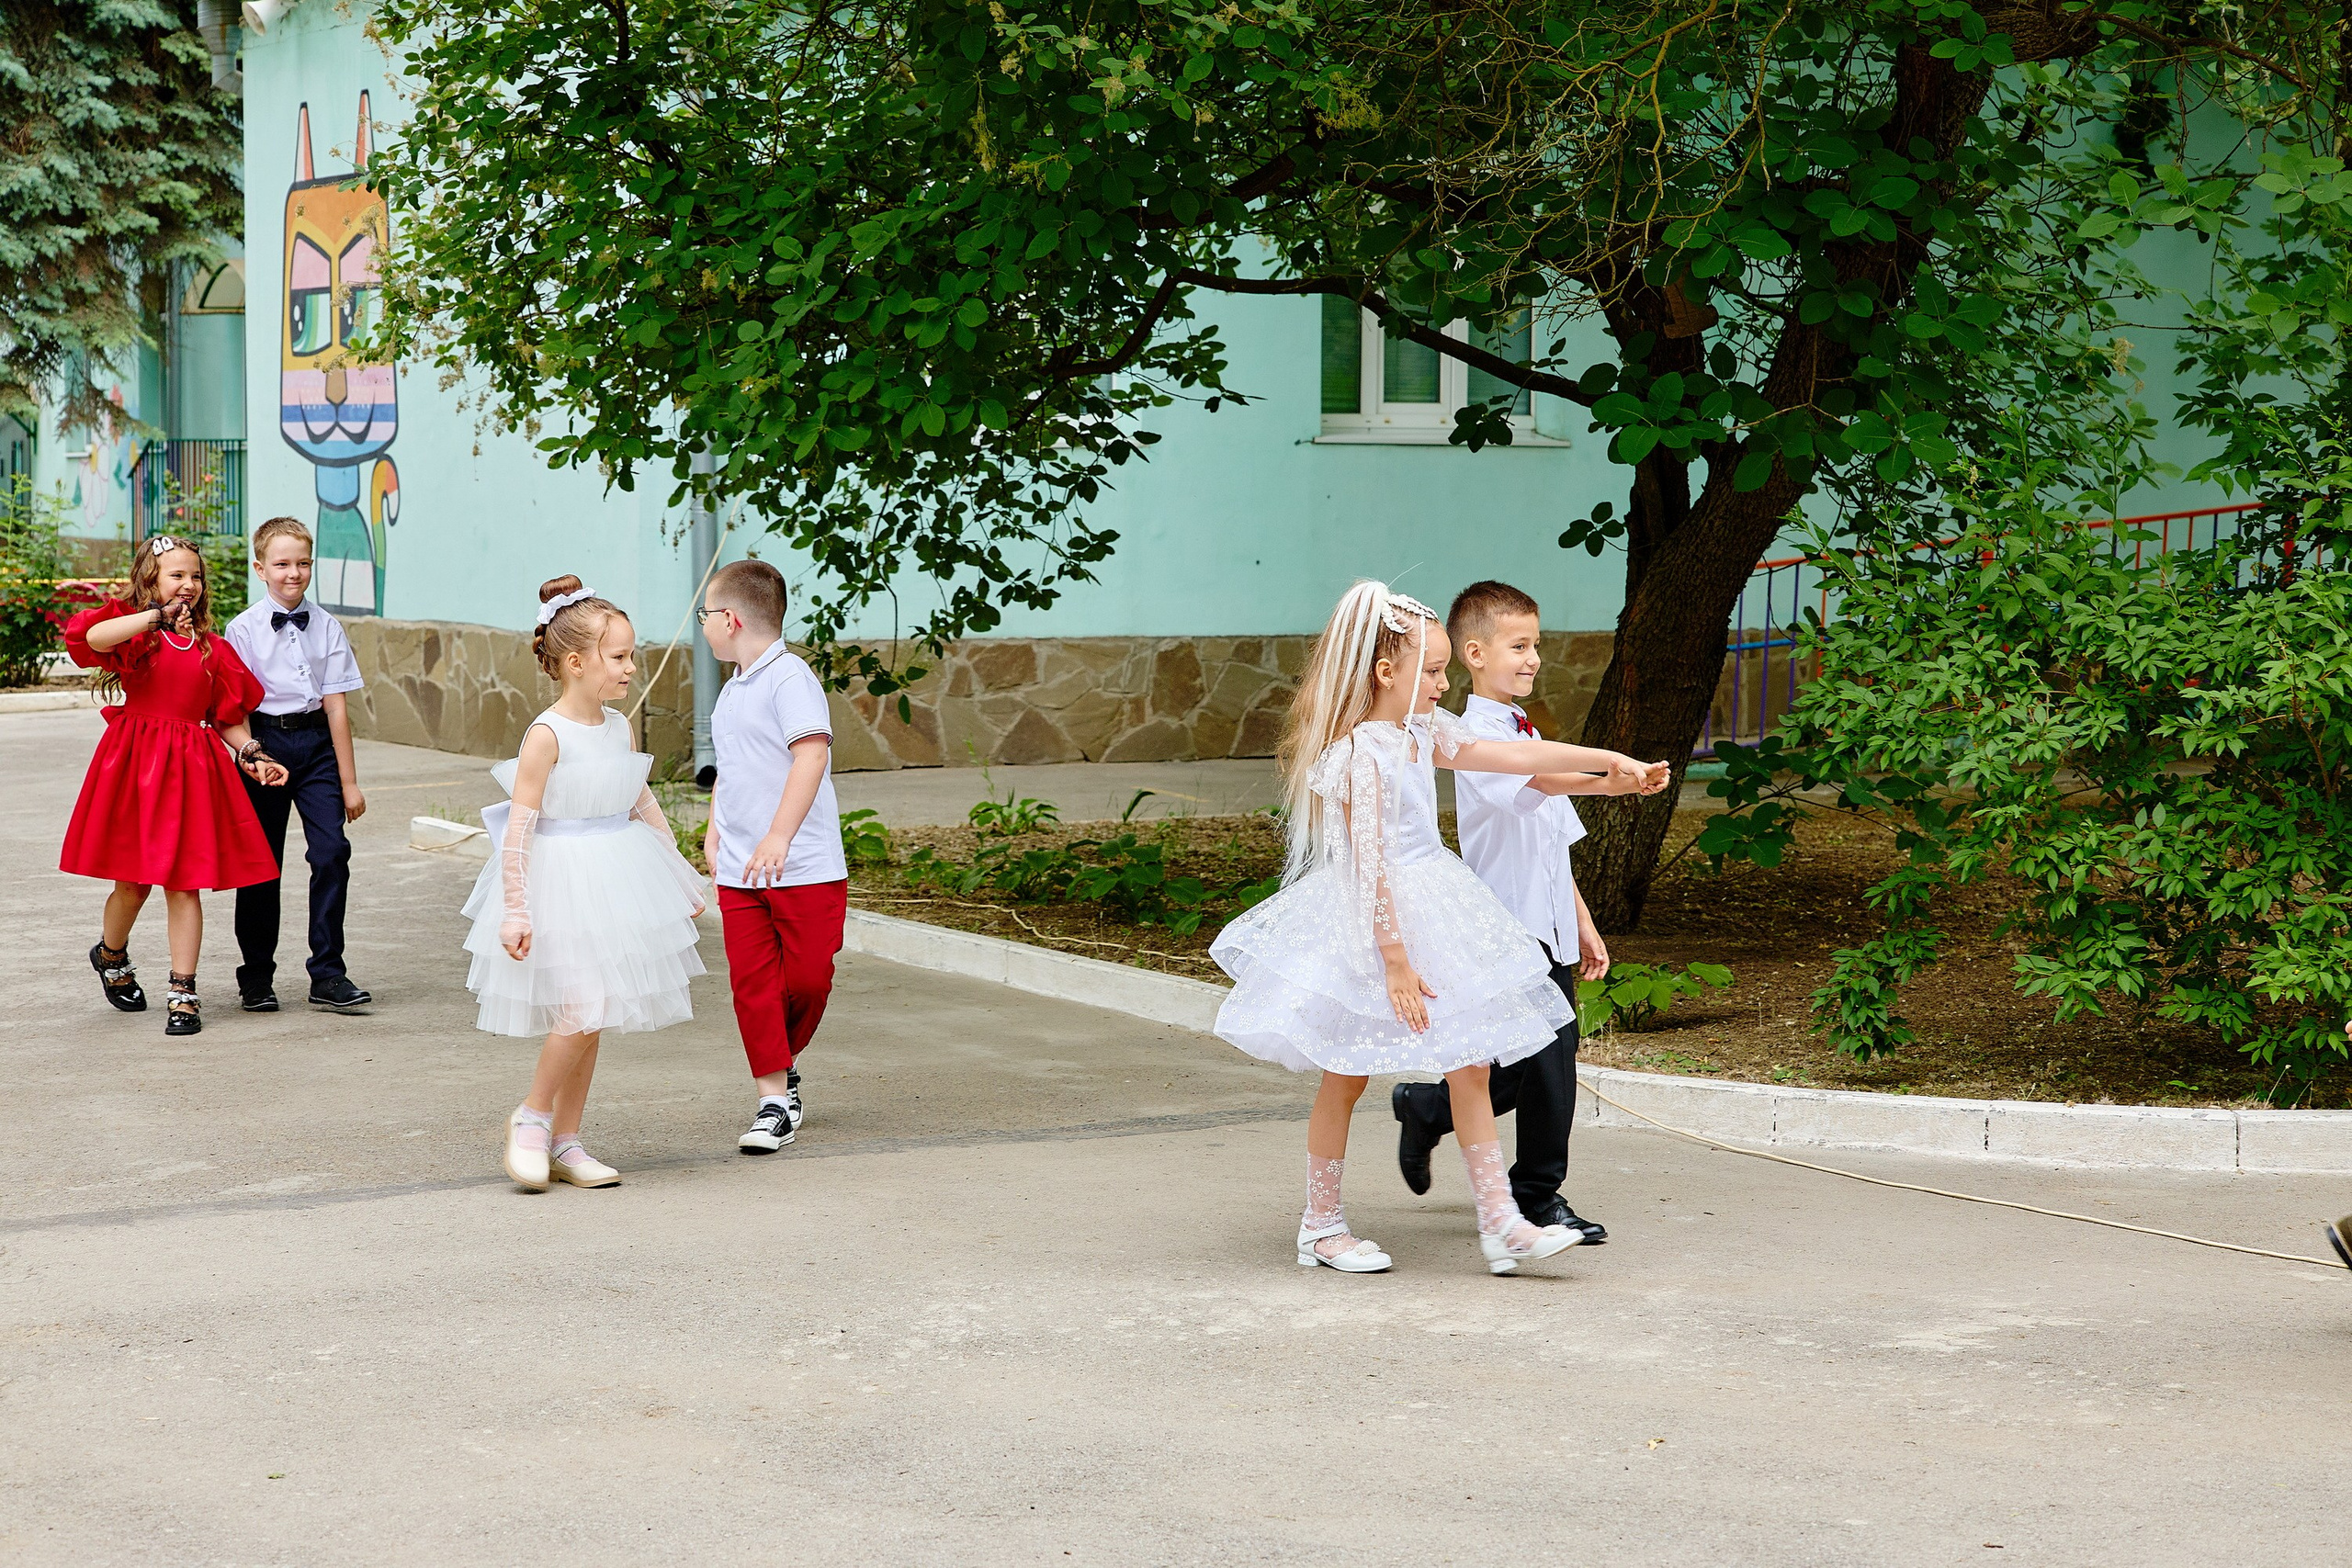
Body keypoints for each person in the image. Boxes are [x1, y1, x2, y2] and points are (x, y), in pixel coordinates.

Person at [1209, 580, 1669, 1275]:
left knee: (1471, 1063)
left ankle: (1502, 1223)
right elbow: (1369, 865)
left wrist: (1609, 763)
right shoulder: (1361, 754)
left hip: (1437, 900)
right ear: (1384, 671)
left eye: (1445, 668)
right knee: (1345, 1073)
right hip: (1374, 920)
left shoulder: (1424, 733)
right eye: (1431, 670)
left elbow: (1514, 757)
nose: (1442, 682)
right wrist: (1393, 958)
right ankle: (1321, 1224)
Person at [1393, 581, 1620, 1242]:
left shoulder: (1527, 730)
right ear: (1474, 653)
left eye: (1536, 647)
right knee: (1549, 1061)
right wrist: (1612, 773)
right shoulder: (1470, 740)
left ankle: (1427, 1105)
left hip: (1547, 924)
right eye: (1518, 646)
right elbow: (1539, 781)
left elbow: (1553, 841)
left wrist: (1581, 918)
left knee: (1528, 1063)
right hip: (1503, 930)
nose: (1532, 659)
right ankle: (1538, 1195)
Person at [467, 576, 708, 1191]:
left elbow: (639, 801)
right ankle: (533, 1116)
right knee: (580, 1004)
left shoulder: (620, 728)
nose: (631, 667)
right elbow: (518, 830)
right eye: (620, 656)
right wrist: (515, 910)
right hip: (561, 882)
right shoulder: (546, 736)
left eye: (630, 655)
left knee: (594, 1012)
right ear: (576, 662)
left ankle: (567, 1140)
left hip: (616, 875)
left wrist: (678, 874)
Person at [62, 535, 291, 1036]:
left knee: (185, 884)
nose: (189, 585)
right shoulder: (140, 635)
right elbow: (92, 639)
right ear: (151, 581)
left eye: (196, 576)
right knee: (133, 883)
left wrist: (253, 754)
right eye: (176, 575)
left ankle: (183, 994)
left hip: (192, 768)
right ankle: (111, 952)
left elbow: (227, 716)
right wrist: (155, 617)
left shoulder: (214, 649)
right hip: (136, 763)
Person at [695, 558, 848, 1155]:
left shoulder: (790, 679)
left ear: (731, 618)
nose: (703, 624)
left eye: (706, 614)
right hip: (738, 869)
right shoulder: (731, 692)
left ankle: (781, 1064)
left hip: (804, 865)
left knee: (808, 980)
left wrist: (779, 836)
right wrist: (714, 830)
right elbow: (731, 773)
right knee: (752, 983)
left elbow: (810, 756)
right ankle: (773, 1100)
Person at [223, 516, 372, 1014]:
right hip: (263, 743)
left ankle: (328, 974)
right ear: (260, 568)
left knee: (331, 853)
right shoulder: (241, 629)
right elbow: (235, 710)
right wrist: (252, 759)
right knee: (262, 865)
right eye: (282, 564)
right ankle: (256, 977)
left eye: (303, 563)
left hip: (316, 748)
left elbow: (336, 707)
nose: (294, 573)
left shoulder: (326, 625)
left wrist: (349, 782)